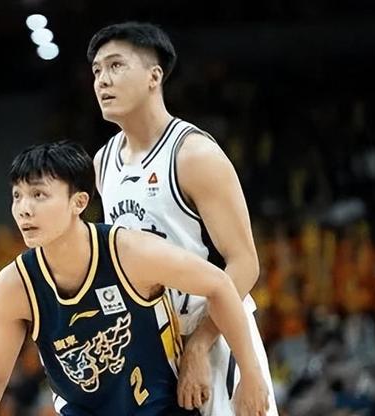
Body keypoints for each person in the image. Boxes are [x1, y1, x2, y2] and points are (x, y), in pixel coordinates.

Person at [0, 142, 268, 415]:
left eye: (38, 195)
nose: (24, 209)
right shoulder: (15, 286)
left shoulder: (129, 253)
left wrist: (251, 374)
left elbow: (220, 284)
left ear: (79, 202)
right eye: (17, 196)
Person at [88, 22, 278, 415]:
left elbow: (245, 264)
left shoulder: (193, 155)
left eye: (116, 65)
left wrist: (200, 344)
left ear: (154, 76)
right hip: (151, 346)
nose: (102, 80)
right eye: (97, 70)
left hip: (215, 335)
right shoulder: (103, 163)